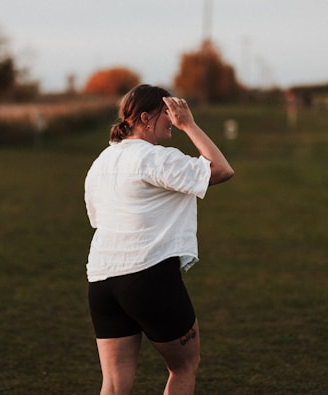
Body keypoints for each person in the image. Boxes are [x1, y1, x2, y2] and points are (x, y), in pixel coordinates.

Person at [84, 84, 234, 395]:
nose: (173, 119)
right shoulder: (154, 158)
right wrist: (189, 125)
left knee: (113, 384)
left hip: (101, 281)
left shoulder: (101, 161)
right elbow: (221, 170)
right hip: (147, 276)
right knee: (184, 366)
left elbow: (97, 219)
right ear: (144, 117)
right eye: (167, 113)